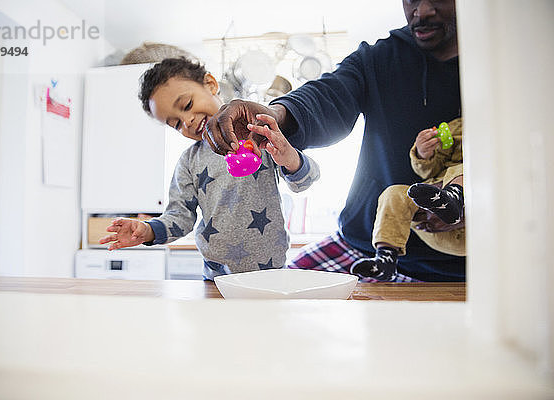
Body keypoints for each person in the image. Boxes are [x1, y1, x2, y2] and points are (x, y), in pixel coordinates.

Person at [203, 0, 464, 282]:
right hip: (362, 246)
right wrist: (274, 115)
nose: (422, 10)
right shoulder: (379, 58)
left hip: (462, 265)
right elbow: (328, 95)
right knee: (273, 296)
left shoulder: (502, 63)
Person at [98, 58, 320, 280]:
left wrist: (290, 158)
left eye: (186, 106)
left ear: (211, 84)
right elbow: (180, 217)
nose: (187, 122)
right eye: (176, 124)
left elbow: (306, 181)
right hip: (216, 279)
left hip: (271, 275)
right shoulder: (188, 161)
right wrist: (148, 231)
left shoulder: (258, 132)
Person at [350, 118, 464, 281]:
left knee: (469, 169)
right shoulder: (458, 126)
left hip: (475, 227)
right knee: (394, 193)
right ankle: (385, 260)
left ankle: (454, 199)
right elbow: (430, 171)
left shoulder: (507, 134)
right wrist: (423, 154)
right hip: (436, 227)